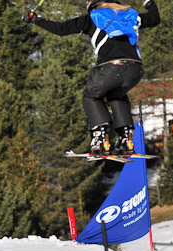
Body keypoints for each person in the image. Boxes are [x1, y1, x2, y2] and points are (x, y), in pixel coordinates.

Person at [23, 0, 160, 155]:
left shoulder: (92, 17)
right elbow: (154, 19)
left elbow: (61, 29)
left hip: (111, 66)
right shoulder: (129, 15)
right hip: (135, 69)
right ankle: (125, 139)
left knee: (91, 96)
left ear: (92, 5)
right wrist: (149, 3)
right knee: (117, 95)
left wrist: (36, 19)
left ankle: (100, 138)